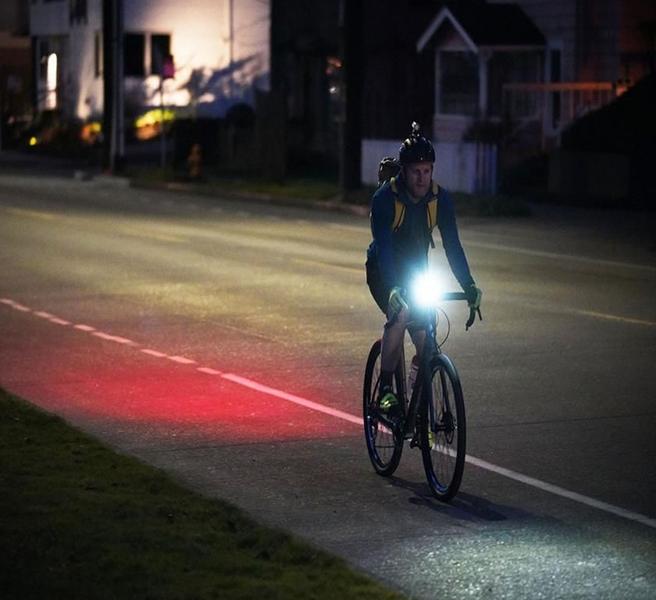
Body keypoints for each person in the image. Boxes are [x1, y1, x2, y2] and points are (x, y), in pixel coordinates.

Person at [365, 122, 482, 418]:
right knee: (400, 315)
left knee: (427, 343)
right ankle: (387, 392)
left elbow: (453, 247)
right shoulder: (384, 200)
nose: (422, 177)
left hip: (417, 274)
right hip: (383, 270)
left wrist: (469, 286)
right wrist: (392, 288)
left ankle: (416, 403)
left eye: (427, 170)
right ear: (403, 171)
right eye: (416, 171)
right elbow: (386, 249)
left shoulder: (440, 200)